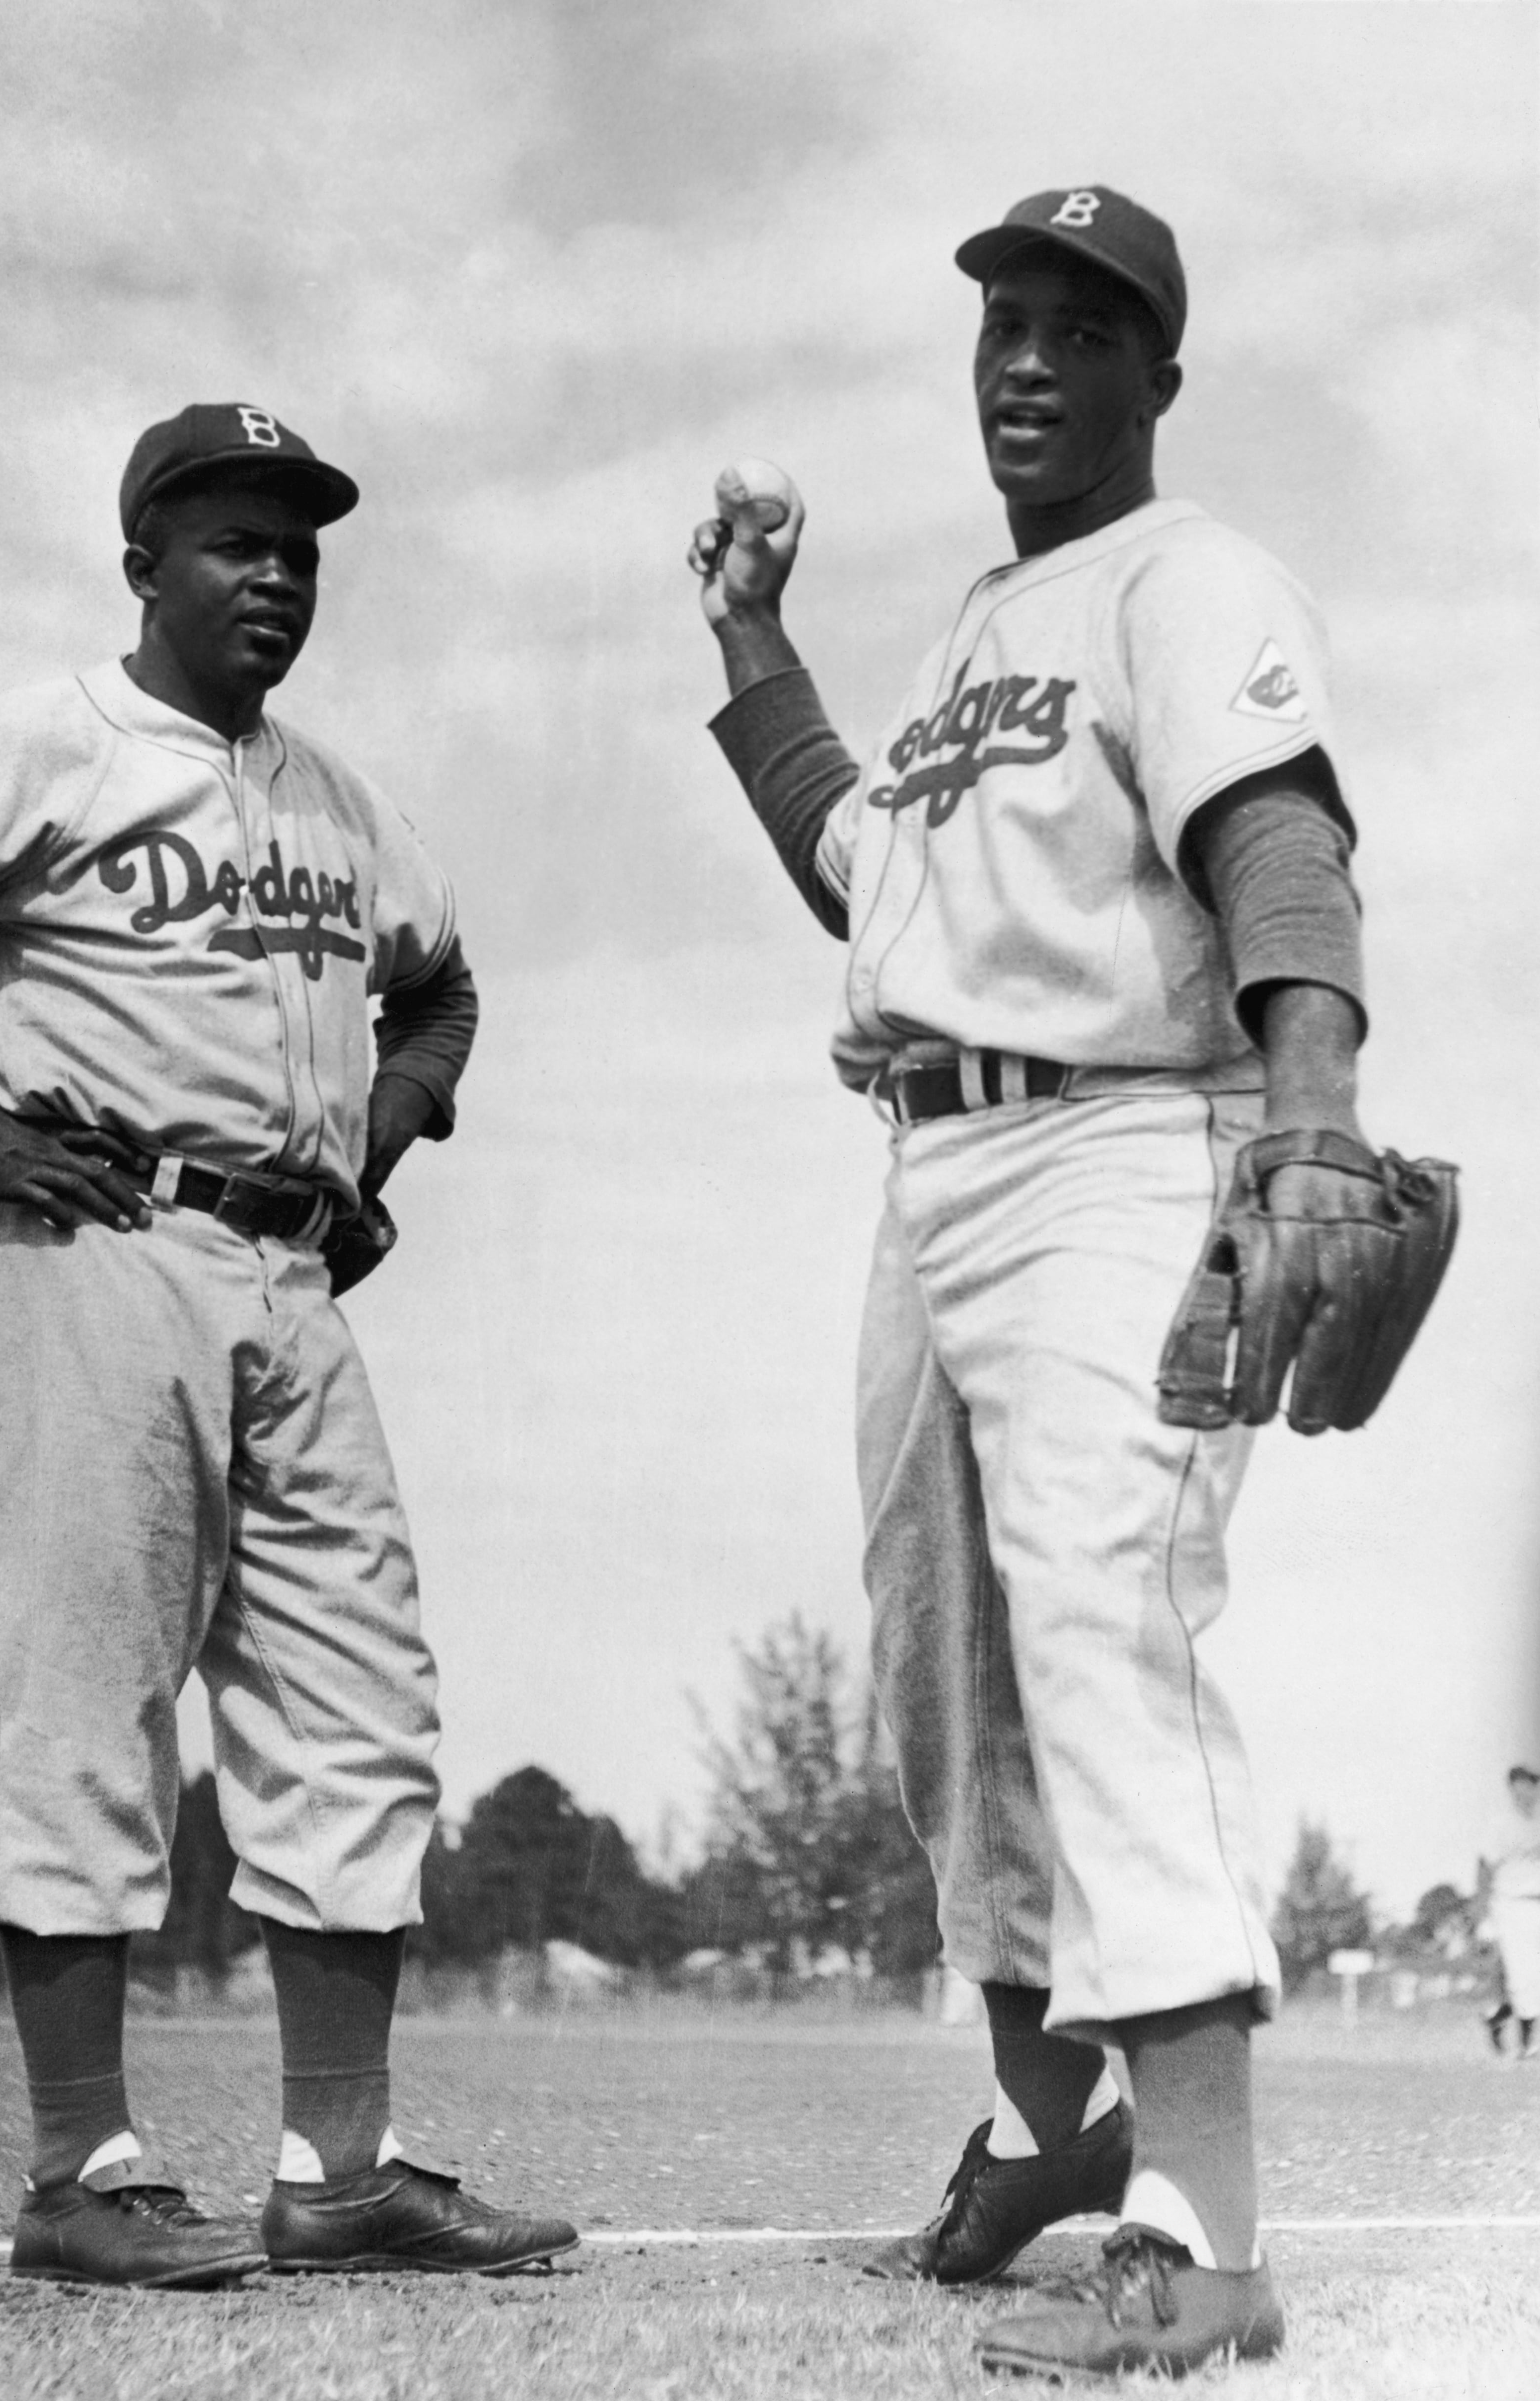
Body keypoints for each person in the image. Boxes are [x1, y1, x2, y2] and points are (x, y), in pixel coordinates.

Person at [0, 402, 577, 2288]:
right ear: (144, 567)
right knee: (85, 1701)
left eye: (301, 545)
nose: (275, 572)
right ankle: (79, 2165)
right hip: (86, 1250)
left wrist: (375, 1134)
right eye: (234, 540)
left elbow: (444, 986)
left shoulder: (342, 800)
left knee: (361, 1702)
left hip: (290, 1279)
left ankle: (340, 2164)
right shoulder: (34, 741)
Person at [689, 189, 1382, 2376]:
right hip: (933, 1162)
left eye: (1081, 327)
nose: (1023, 357)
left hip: (1116, 1140)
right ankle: (1052, 2111)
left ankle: (1210, 2220)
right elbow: (862, 878)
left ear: (1154, 377)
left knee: (1102, 1623)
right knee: (941, 1669)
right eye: (1000, 318)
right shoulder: (972, 630)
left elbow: (1274, 837)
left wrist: (1313, 1110)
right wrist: (754, 646)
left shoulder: (1188, 579)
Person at [1481, 1765, 1540, 2061]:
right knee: (1522, 1975)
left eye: (1530, 1784)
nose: (1525, 1792)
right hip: (1511, 1904)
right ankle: (1529, 2043)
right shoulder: (1502, 1825)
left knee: (1534, 1977)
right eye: (1519, 1786)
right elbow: (1486, 1867)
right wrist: (1482, 1913)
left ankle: (1496, 2017)